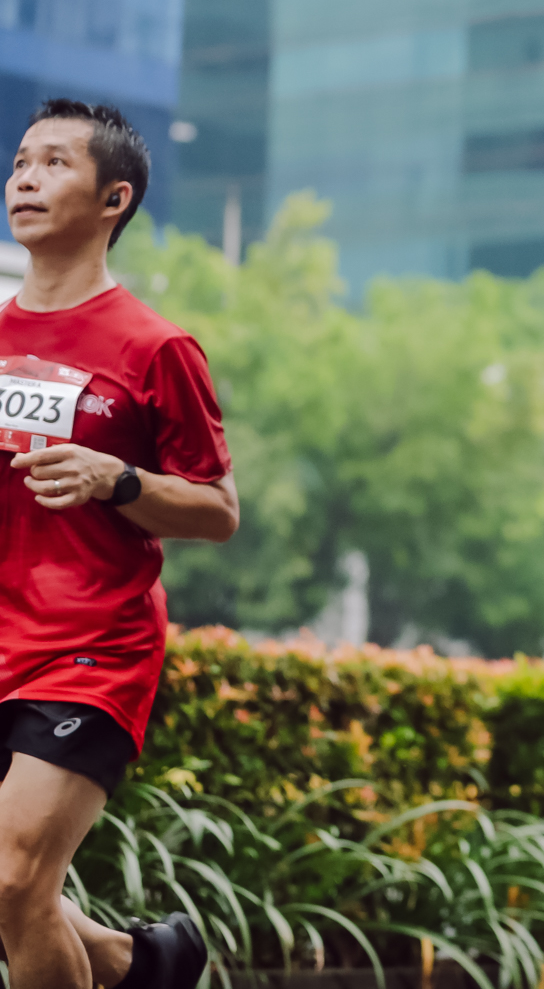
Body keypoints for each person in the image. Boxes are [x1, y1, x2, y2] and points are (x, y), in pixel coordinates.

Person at [1, 100, 239, 989]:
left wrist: (119, 480)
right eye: (20, 162)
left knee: (16, 878)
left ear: (115, 198)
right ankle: (144, 963)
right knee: (9, 889)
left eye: (54, 163)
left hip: (90, 648)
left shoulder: (155, 347)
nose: (25, 180)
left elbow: (217, 510)